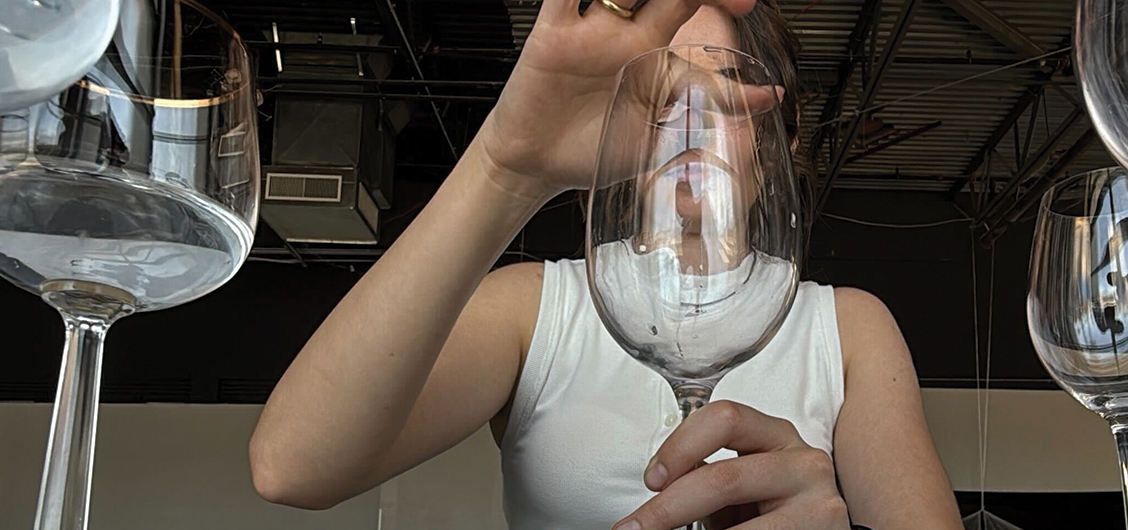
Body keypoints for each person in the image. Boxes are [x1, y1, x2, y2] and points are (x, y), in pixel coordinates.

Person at [247, 0, 964, 528]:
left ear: (783, 132)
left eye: (722, 94)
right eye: (660, 96)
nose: (688, 125)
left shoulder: (847, 327)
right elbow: (292, 467)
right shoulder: (537, 307)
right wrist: (506, 167)